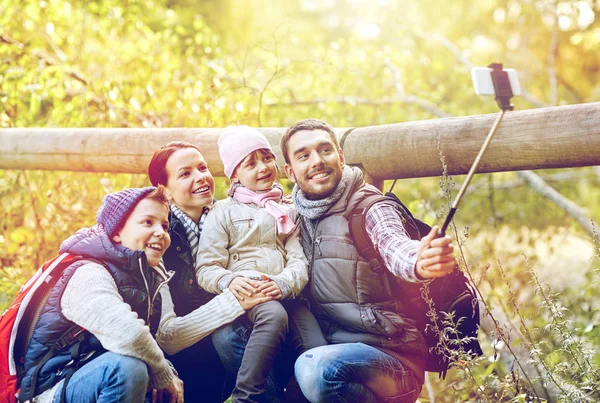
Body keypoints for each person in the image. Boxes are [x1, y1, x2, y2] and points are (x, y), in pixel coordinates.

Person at [280, 119, 457, 403]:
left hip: (390, 359)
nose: (317, 161)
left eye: (325, 150)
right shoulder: (291, 217)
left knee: (315, 369)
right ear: (290, 171)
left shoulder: (370, 208)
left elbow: (396, 247)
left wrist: (420, 262)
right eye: (304, 155)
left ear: (340, 156)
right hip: (325, 349)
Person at [196, 126, 325, 403]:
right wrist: (229, 281)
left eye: (266, 158)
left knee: (317, 353)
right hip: (249, 293)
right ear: (234, 175)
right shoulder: (223, 211)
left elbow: (298, 259)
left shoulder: (288, 210)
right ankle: (246, 397)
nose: (263, 167)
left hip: (287, 293)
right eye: (250, 163)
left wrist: (283, 284)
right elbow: (206, 268)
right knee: (273, 316)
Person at [19, 186, 184, 403]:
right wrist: (163, 374)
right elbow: (130, 335)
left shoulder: (145, 277)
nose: (161, 232)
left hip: (88, 375)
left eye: (165, 225)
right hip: (51, 388)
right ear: (117, 231)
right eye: (147, 222)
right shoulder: (88, 273)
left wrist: (167, 373)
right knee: (127, 369)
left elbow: (146, 340)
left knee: (154, 377)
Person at [148, 141, 271, 402]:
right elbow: (166, 336)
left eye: (202, 168)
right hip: (182, 362)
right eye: (185, 173)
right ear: (165, 191)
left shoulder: (231, 216)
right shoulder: (158, 239)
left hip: (236, 340)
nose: (201, 177)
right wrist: (234, 300)